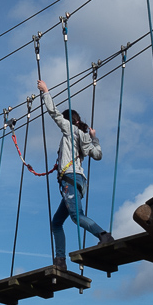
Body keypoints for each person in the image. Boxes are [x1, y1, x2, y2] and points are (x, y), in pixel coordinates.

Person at [38, 80, 113, 268]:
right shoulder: (85, 137)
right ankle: (60, 260)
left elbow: (54, 114)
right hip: (77, 181)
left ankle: (104, 235)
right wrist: (95, 138)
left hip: (71, 180)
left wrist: (46, 92)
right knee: (57, 222)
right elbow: (98, 155)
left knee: (76, 216)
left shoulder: (70, 130)